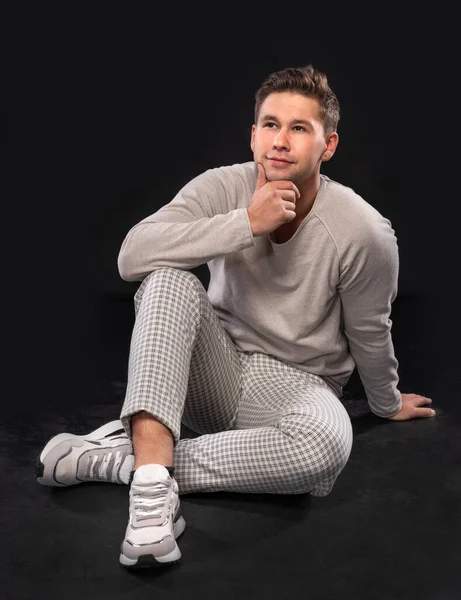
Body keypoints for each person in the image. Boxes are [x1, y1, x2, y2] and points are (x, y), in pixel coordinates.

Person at [35, 64, 435, 569]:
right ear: (253, 135)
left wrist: (385, 401)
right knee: (167, 278)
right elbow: (131, 255)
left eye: (299, 128)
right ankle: (153, 506)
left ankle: (123, 464)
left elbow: (370, 329)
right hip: (212, 371)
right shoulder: (223, 188)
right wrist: (246, 222)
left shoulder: (364, 232)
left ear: (327, 145)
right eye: (270, 125)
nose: (281, 141)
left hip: (295, 387)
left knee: (326, 447)